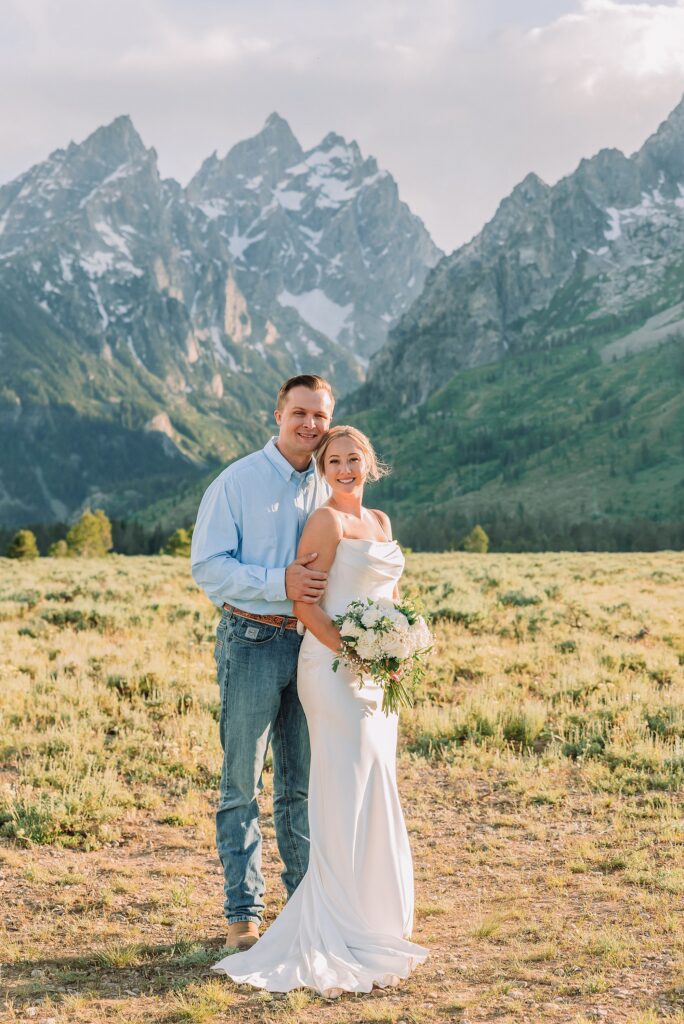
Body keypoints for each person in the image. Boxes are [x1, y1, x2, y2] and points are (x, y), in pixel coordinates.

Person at [212, 425, 428, 997]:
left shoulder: (380, 522)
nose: (345, 469)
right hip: (333, 671)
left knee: (376, 780)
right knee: (342, 782)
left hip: (377, 675)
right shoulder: (326, 521)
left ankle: (375, 916)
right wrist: (356, 652)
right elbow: (306, 602)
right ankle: (323, 918)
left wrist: (397, 648)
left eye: (353, 458)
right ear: (324, 467)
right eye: (334, 460)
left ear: (369, 462)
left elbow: (391, 598)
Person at [191, 374, 334, 951]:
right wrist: (280, 582)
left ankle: (302, 906)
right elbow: (208, 567)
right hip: (250, 642)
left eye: (320, 416)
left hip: (310, 649)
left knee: (300, 786)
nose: (310, 425)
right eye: (299, 413)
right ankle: (243, 916)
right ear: (276, 415)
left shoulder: (328, 487)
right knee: (241, 785)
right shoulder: (237, 482)